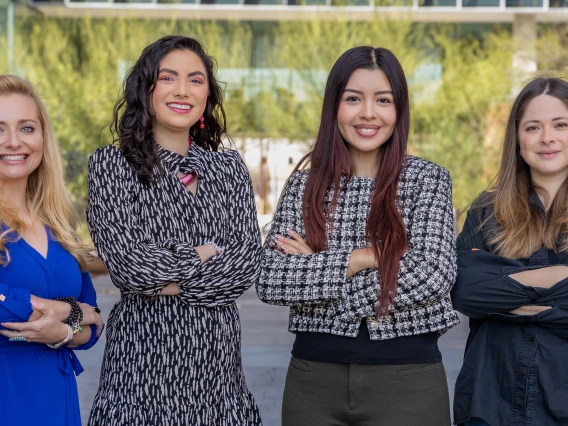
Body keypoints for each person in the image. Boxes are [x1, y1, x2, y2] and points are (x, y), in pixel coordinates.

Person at [257, 46, 459, 426]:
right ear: (335, 106)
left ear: (399, 109)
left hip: (408, 380)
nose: (368, 113)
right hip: (312, 380)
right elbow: (271, 281)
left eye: (383, 100)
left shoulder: (427, 180)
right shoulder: (305, 185)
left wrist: (320, 271)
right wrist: (362, 258)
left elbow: (433, 274)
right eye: (353, 99)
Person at [87, 35, 262, 425]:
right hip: (142, 376)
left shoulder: (229, 168)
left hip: (219, 382)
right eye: (168, 78)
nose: (183, 90)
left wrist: (162, 273)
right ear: (145, 88)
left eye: (196, 80)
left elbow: (246, 265)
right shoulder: (113, 165)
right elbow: (131, 270)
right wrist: (203, 254)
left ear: (208, 95)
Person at [452, 77, 568, 426]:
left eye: (561, 125)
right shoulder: (486, 211)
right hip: (490, 405)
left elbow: (487, 292)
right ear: (517, 140)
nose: (547, 137)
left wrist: (505, 298)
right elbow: (466, 291)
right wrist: (557, 279)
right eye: (533, 127)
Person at [0, 74, 103, 425]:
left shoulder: (58, 223)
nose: (14, 141)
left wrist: (63, 328)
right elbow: (7, 307)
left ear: (43, 137)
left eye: (27, 128)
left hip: (57, 398)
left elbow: (95, 321)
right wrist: (75, 313)